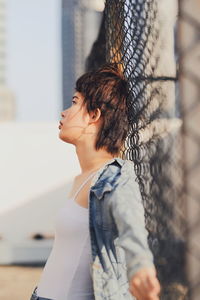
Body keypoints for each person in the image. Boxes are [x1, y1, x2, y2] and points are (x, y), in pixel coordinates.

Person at [29, 62, 161, 300]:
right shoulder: (82, 177)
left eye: (74, 102)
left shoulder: (114, 176)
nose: (64, 112)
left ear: (94, 115)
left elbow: (130, 221)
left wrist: (141, 265)